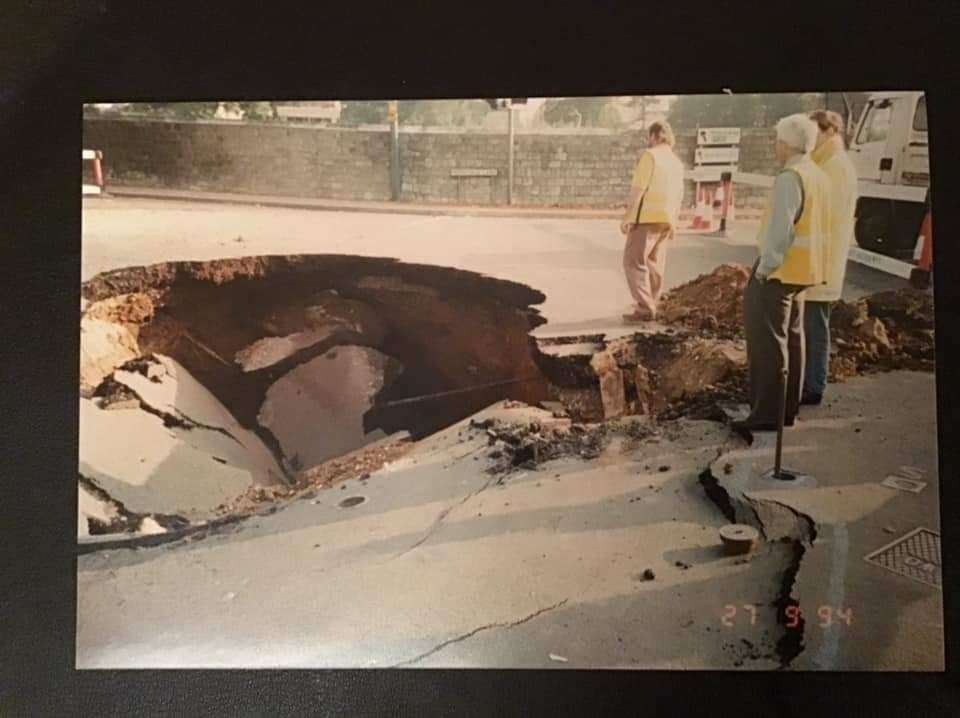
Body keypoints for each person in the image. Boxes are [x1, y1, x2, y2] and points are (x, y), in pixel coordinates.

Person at [734, 114, 832, 433]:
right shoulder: (817, 174)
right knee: (792, 339)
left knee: (767, 344)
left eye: (777, 140)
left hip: (779, 272)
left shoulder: (791, 177)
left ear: (787, 144)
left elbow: (780, 232)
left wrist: (764, 269)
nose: (775, 146)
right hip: (805, 271)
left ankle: (765, 415)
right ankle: (786, 410)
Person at [800, 110, 859, 406]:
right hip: (820, 258)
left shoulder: (834, 166)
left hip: (822, 260)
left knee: (815, 324)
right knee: (813, 323)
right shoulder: (830, 162)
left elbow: (823, 215)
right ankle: (811, 381)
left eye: (814, 132)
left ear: (827, 131)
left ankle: (814, 385)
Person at [620, 121, 685, 323]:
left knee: (633, 261)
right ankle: (651, 302)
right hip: (666, 220)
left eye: (650, 137)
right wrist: (674, 222)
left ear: (655, 136)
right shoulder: (676, 162)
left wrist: (627, 217)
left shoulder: (650, 156)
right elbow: (679, 195)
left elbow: (638, 189)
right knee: (654, 263)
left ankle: (645, 308)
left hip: (646, 220)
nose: (649, 141)